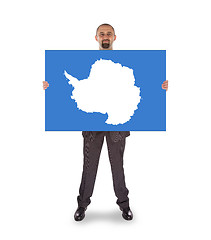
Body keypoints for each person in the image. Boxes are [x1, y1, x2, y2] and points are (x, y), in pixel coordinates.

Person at [43, 23, 168, 221]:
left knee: (117, 165)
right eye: (102, 34)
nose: (105, 36)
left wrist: (159, 87)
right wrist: (50, 86)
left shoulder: (128, 63)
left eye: (108, 33)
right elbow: (69, 85)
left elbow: (142, 84)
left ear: (115, 37)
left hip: (117, 123)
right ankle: (82, 205)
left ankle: (124, 205)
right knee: (89, 165)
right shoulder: (84, 63)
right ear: (96, 38)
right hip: (92, 123)